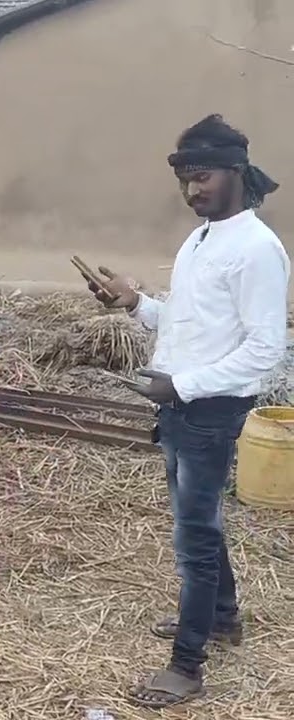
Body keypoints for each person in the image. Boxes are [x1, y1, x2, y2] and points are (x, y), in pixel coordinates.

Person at [86, 115, 288, 709]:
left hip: (210, 409)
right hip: (183, 402)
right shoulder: (202, 238)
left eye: (204, 177)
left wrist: (185, 386)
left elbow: (265, 349)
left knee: (194, 538)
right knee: (198, 525)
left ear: (237, 174)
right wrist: (138, 304)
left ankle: (187, 666)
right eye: (186, 180)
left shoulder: (256, 248)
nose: (193, 190)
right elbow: (190, 318)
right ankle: (223, 618)